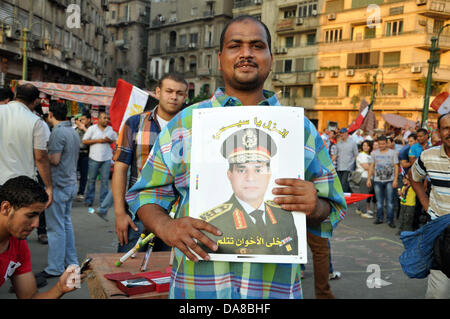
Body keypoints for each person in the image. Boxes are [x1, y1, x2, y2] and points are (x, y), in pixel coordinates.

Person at [125, 15, 347, 299]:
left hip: (274, 292)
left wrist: (314, 205)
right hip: (197, 291)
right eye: (235, 46)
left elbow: (332, 207)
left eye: (256, 45)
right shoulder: (184, 124)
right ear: (220, 58)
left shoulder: (300, 130)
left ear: (270, 57)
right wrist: (167, 226)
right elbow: (145, 195)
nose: (246, 53)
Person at [113, 73, 188, 253]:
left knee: (167, 273)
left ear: (185, 97)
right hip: (137, 213)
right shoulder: (135, 123)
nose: (173, 97)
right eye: (169, 91)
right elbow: (120, 169)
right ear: (158, 92)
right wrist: (119, 213)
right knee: (129, 271)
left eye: (179, 93)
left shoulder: (191, 127)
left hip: (177, 216)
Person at [199, 128, 298, 256]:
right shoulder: (214, 222)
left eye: (258, 170)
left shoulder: (284, 216)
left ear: (269, 173)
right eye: (241, 170)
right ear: (230, 175)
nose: (250, 178)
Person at [0, 176, 83, 298]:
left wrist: (59, 288)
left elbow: (29, 296)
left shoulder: (18, 243)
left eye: (39, 216)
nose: (36, 224)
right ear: (6, 208)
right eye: (30, 215)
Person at [35, 102, 80, 285]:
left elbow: (54, 160)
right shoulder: (73, 131)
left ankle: (55, 267)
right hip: (70, 183)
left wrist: (41, 152)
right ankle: (72, 262)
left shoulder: (58, 133)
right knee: (65, 224)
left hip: (59, 185)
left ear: (51, 115)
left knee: (55, 228)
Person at [409, 112, 450, 299]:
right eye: (446, 128)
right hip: (439, 233)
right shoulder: (428, 156)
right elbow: (414, 177)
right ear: (439, 132)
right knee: (439, 291)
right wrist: (427, 205)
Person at [0, 84, 52, 207]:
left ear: (15, 95)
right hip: (20, 186)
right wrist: (49, 186)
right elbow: (40, 158)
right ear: (35, 101)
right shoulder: (36, 122)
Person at [82, 111, 117, 207]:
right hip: (94, 157)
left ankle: (103, 201)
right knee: (91, 180)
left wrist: (109, 141)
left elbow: (116, 140)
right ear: (98, 119)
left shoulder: (110, 129)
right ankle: (89, 200)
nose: (106, 120)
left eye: (107, 118)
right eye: (104, 118)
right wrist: (99, 140)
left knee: (105, 181)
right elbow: (84, 140)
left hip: (106, 158)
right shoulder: (92, 129)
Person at [367, 136, 399, 228]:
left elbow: (396, 166)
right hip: (377, 180)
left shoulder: (393, 153)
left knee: (390, 201)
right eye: (379, 144)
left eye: (383, 143)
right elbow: (371, 166)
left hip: (390, 180)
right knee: (379, 201)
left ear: (387, 143)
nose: (381, 145)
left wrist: (395, 180)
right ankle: (379, 218)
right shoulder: (374, 153)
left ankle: (390, 220)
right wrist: (369, 179)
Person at [353, 140, 374, 218]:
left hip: (367, 176)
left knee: (363, 194)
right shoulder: (361, 155)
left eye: (367, 145)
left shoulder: (369, 155)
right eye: (364, 145)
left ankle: (359, 209)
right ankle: (363, 212)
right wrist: (374, 172)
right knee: (364, 195)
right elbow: (366, 166)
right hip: (363, 177)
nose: (365, 147)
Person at [75, 111, 92, 201]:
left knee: (84, 175)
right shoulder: (76, 129)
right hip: (76, 154)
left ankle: (81, 192)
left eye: (83, 119)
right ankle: (72, 192)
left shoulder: (92, 129)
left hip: (85, 154)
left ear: (89, 120)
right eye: (80, 119)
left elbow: (93, 138)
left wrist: (84, 128)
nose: (81, 121)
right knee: (73, 174)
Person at [335, 128, 358, 193]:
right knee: (342, 183)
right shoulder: (338, 143)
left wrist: (356, 166)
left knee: (343, 183)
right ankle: (352, 195)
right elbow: (335, 155)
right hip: (339, 166)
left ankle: (344, 199)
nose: (341, 134)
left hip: (348, 166)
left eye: (342, 133)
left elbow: (356, 155)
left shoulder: (352, 143)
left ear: (346, 133)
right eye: (340, 133)